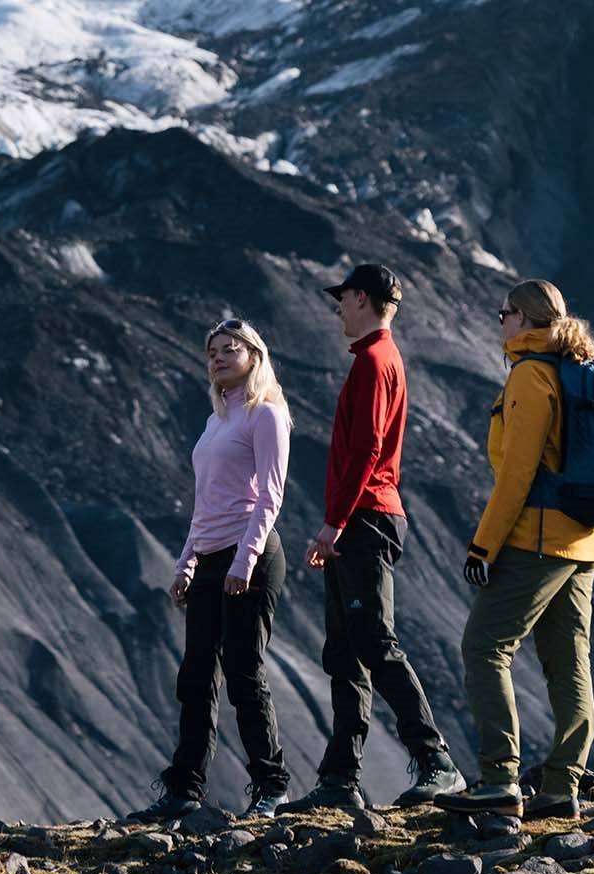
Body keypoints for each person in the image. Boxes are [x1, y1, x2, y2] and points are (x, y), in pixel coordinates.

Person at [279, 264, 465, 814]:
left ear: (363, 298)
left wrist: (334, 521)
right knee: (344, 650)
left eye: (343, 297)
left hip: (365, 519)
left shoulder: (374, 363)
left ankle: (437, 762)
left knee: (373, 641)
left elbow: (365, 449)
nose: (337, 306)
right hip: (363, 518)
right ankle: (340, 778)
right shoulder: (375, 360)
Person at [433, 279, 594, 820]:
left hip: (537, 537)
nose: (499, 322)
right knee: (569, 665)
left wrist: (483, 546)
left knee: (484, 647)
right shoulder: (577, 372)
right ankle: (560, 790)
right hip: (585, 542)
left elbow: (518, 473)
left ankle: (499, 779)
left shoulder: (531, 377)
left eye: (503, 313)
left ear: (525, 320)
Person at [129, 319, 294, 822]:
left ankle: (271, 785)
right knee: (197, 674)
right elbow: (206, 503)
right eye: (212, 352)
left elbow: (270, 496)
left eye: (231, 349)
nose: (219, 357)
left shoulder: (265, 415)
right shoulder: (216, 420)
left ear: (254, 356)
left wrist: (244, 559)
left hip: (252, 553)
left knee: (244, 670)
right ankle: (184, 788)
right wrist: (187, 562)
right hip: (211, 555)